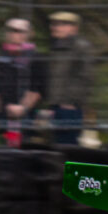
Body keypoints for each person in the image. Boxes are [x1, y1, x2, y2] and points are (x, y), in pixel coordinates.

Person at [0, 18, 46, 148]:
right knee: (7, 148)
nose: (14, 34)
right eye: (11, 30)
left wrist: (22, 107)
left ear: (29, 34)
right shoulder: (2, 56)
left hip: (22, 113)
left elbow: (39, 87)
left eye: (19, 31)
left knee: (19, 149)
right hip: (4, 113)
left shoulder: (35, 57)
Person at [45, 12, 94, 145]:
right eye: (53, 24)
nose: (54, 27)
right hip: (56, 106)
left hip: (70, 108)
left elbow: (86, 78)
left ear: (73, 28)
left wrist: (71, 102)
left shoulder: (81, 47)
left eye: (60, 24)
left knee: (69, 147)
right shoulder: (56, 48)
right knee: (56, 145)